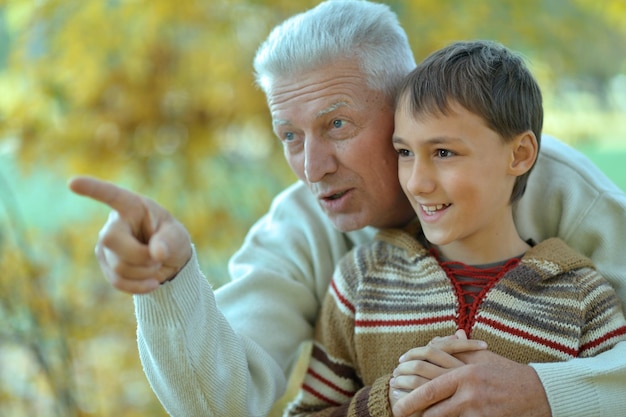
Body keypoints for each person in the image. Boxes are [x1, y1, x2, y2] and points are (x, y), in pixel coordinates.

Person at [67, 1, 626, 416]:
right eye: (288, 135)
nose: (312, 167)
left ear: (403, 106)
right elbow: (222, 402)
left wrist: (548, 393)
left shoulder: (554, 185)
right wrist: (169, 281)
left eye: (337, 125)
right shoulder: (301, 229)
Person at [283, 39, 626, 417]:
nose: (416, 183)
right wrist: (387, 403)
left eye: (443, 153)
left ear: (520, 154)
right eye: (405, 153)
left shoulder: (581, 297)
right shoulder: (361, 281)